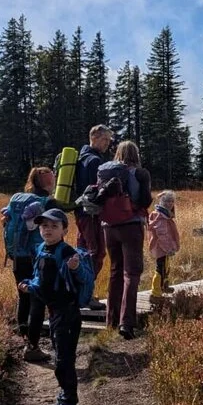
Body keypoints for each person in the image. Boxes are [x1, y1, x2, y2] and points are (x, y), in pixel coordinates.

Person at [27, 208, 92, 405]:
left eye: (54, 226)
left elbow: (82, 277)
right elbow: (42, 279)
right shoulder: (42, 249)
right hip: (55, 312)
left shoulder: (67, 252)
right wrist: (29, 285)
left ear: (65, 229)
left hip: (68, 313)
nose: (48, 230)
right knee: (60, 359)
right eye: (44, 226)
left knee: (64, 363)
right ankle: (63, 401)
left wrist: (75, 269)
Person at [2, 166, 60, 363]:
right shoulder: (48, 202)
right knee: (38, 299)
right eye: (51, 177)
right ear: (48, 181)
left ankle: (25, 337)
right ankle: (33, 348)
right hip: (38, 257)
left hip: (17, 256)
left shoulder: (17, 198)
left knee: (23, 297)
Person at [100, 141, 152, 340]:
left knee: (115, 271)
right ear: (136, 154)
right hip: (131, 225)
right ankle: (127, 323)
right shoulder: (140, 173)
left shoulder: (106, 171)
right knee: (132, 273)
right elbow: (146, 200)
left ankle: (111, 321)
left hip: (109, 227)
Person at [74, 124, 113, 310]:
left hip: (80, 213)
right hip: (91, 214)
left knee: (82, 252)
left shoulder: (80, 158)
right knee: (95, 253)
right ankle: (85, 295)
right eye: (105, 139)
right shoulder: (95, 161)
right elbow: (97, 191)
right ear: (95, 137)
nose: (107, 144)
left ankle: (78, 293)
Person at [147, 191, 180, 296]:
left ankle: (163, 286)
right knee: (160, 268)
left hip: (162, 247)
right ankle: (156, 292)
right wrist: (168, 249)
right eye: (167, 201)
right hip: (161, 247)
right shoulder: (160, 216)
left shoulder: (164, 214)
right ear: (162, 202)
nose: (170, 204)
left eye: (172, 201)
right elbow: (162, 235)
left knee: (165, 266)